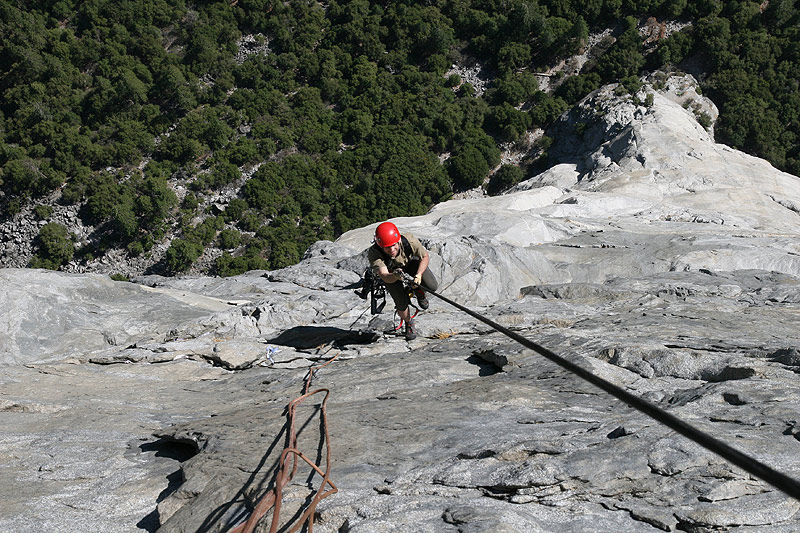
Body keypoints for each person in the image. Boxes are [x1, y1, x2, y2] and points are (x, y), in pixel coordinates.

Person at [367, 221, 438, 341]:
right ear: (380, 246)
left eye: (394, 245)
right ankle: (409, 322)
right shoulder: (375, 254)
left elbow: (424, 256)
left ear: (398, 240)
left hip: (410, 263)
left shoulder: (409, 240)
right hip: (391, 274)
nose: (392, 249)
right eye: (388, 247)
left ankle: (418, 290)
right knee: (401, 303)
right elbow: (384, 275)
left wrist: (419, 274)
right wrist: (395, 276)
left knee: (432, 286)